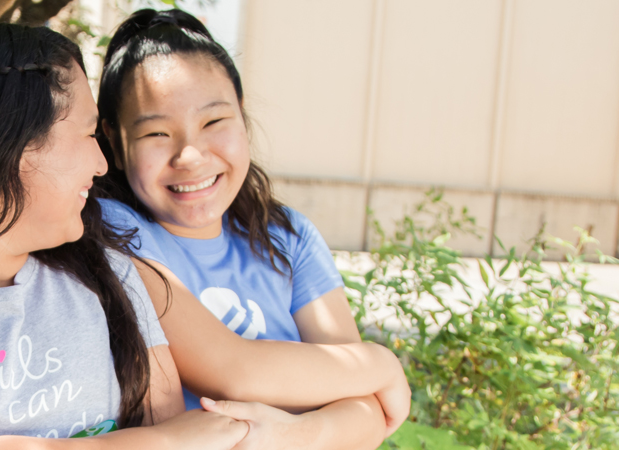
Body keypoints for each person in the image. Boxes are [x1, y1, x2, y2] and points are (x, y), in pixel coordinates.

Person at [0, 23, 262, 449]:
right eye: (88, 134)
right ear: (13, 145)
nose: (102, 164)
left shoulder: (108, 271)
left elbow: (168, 421)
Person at [92, 9, 403, 449]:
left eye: (214, 122)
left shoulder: (287, 235)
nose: (190, 155)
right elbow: (231, 369)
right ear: (115, 143)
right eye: (156, 134)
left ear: (242, 115)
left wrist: (292, 435)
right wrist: (381, 362)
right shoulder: (116, 231)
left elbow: (367, 410)